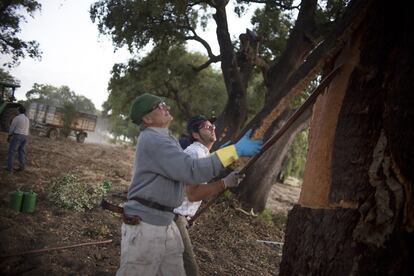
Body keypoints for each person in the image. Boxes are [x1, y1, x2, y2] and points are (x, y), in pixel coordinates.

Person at [117, 93, 262, 276]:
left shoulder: (165, 139)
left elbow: (185, 172)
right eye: (160, 106)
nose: (166, 107)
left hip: (165, 221)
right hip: (147, 223)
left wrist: (221, 156)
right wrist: (233, 152)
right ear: (147, 118)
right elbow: (192, 171)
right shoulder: (154, 140)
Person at [174, 115, 241, 276]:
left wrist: (189, 216)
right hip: (172, 218)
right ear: (195, 135)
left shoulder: (202, 153)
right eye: (206, 126)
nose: (212, 127)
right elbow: (193, 194)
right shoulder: (195, 153)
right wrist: (224, 183)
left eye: (212, 125)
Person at [6, 106, 30, 172]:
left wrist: (9, 135)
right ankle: (22, 167)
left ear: (19, 111)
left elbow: (12, 127)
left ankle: (9, 168)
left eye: (17, 110)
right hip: (25, 136)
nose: (16, 111)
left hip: (17, 136)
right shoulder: (27, 119)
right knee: (21, 152)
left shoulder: (17, 118)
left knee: (12, 151)